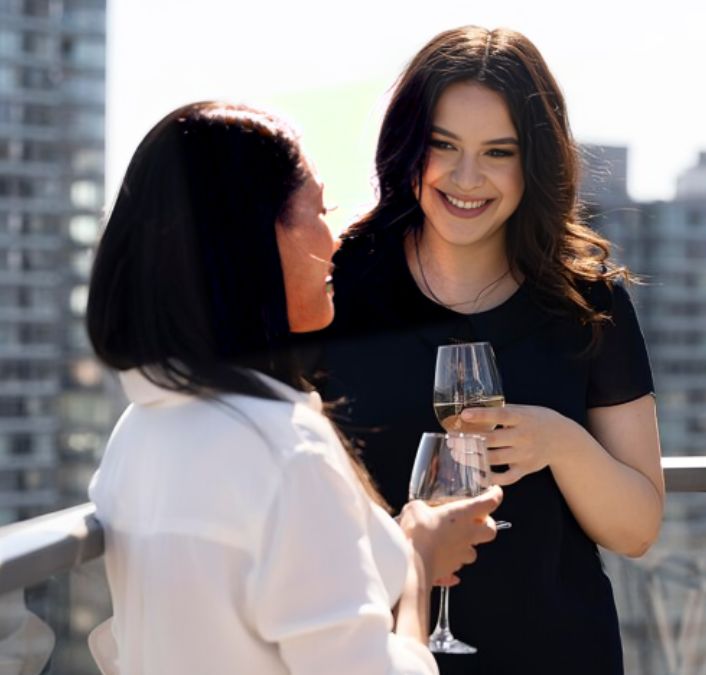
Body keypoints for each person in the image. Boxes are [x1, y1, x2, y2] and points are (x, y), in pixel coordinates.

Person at [85, 101, 502, 675]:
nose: (333, 239)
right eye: (318, 208)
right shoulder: (284, 450)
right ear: (251, 240)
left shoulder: (142, 429)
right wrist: (418, 568)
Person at [315, 27, 664, 674]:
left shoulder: (588, 302)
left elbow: (638, 527)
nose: (466, 177)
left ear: (534, 162)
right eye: (443, 145)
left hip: (559, 655)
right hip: (382, 657)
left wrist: (560, 442)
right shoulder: (340, 287)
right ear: (407, 146)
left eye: (497, 152)